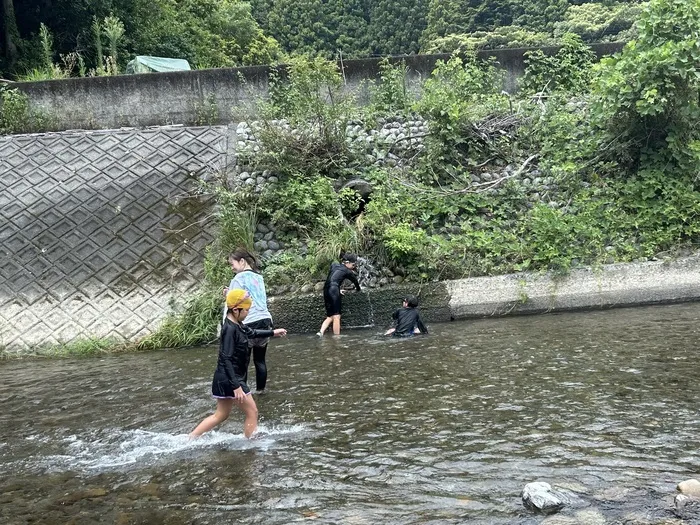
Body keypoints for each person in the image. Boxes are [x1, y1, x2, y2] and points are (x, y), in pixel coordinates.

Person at [190, 289, 287, 439]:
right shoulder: (229, 329)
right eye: (246, 310)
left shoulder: (238, 324)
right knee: (252, 411)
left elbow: (252, 332)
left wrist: (273, 332)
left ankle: (191, 438)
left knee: (221, 415)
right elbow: (225, 358)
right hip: (231, 379)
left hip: (224, 378)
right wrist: (236, 386)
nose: (248, 313)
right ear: (235, 310)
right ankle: (251, 444)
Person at [224, 248, 273, 394]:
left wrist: (227, 294)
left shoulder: (238, 279)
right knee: (260, 360)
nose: (232, 268)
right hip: (265, 320)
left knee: (242, 363)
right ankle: (261, 391)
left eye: (232, 264)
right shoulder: (259, 277)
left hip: (248, 322)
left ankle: (243, 394)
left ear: (242, 261)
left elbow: (234, 305)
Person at [317, 253, 361, 336]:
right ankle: (337, 338)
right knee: (337, 316)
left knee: (330, 315)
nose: (354, 267)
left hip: (326, 289)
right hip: (333, 290)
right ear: (347, 263)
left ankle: (320, 332)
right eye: (353, 264)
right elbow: (356, 282)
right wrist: (358, 290)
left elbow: (333, 278)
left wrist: (337, 290)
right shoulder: (348, 271)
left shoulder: (334, 265)